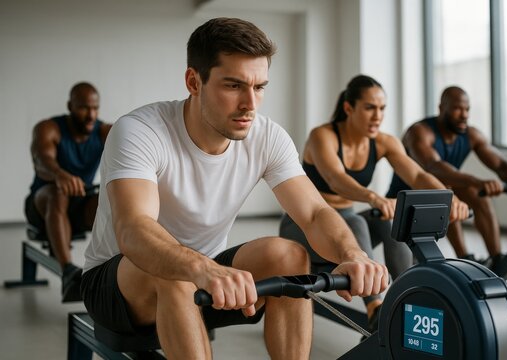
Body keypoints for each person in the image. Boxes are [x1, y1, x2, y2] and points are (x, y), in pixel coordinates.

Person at [81, 18, 388, 359]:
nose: (250, 104)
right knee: (175, 274)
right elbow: (133, 228)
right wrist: (202, 270)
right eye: (233, 86)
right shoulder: (140, 131)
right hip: (117, 284)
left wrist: (353, 254)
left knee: (289, 255)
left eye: (259, 87)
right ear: (193, 81)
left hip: (209, 276)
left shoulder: (267, 136)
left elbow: (314, 212)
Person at [279, 75, 469, 333]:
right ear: (349, 108)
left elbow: (417, 175)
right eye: (369, 108)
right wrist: (372, 196)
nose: (377, 116)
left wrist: (449, 197)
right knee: (358, 219)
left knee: (386, 217)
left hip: (344, 225)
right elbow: (336, 179)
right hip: (304, 226)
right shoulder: (323, 136)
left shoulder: (383, 141)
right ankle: (376, 310)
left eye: (382, 108)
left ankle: (406, 296)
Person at [386, 86, 507, 267]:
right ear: (441, 108)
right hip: (403, 203)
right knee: (450, 192)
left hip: (441, 194)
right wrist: (477, 181)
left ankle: (497, 259)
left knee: (472, 192)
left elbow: (501, 164)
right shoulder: (420, 132)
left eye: (467, 109)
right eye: (457, 108)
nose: (464, 115)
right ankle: (465, 257)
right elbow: (433, 167)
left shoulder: (471, 134)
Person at [25, 82, 112, 302]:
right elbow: (41, 160)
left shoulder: (104, 132)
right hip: (42, 204)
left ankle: (112, 270)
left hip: (79, 205)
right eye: (84, 108)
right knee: (58, 193)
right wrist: (59, 175)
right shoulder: (49, 128)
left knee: (110, 200)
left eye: (95, 108)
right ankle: (69, 273)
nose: (91, 115)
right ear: (70, 106)